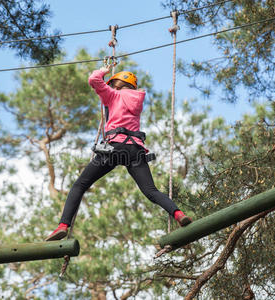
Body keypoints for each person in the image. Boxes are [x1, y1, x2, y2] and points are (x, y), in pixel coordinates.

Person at [45, 66, 192, 241]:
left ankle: (63, 226)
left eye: (113, 84)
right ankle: (178, 214)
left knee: (80, 185)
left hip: (115, 148)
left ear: (117, 85)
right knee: (151, 191)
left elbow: (93, 79)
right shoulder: (137, 99)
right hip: (136, 150)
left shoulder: (113, 95)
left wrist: (103, 70)